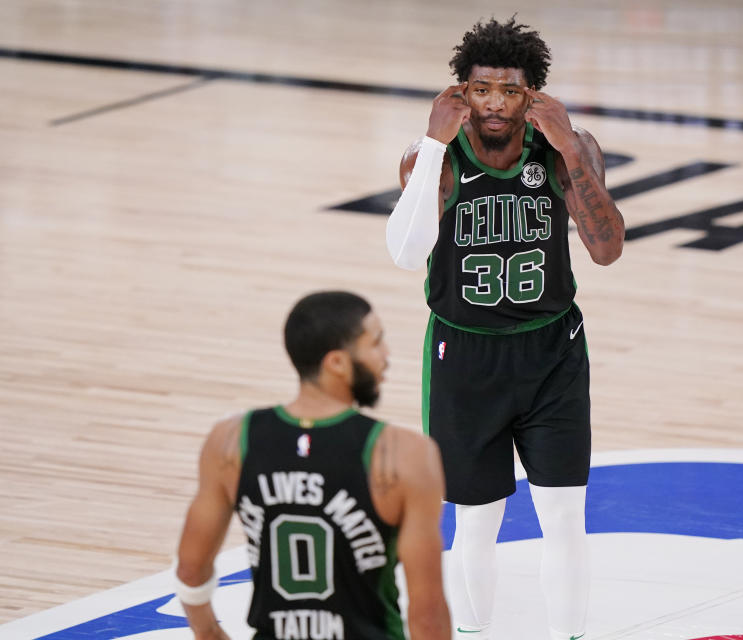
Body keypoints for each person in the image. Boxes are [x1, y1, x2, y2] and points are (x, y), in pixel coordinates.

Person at [385, 16, 625, 640]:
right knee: (476, 523)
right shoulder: (430, 158)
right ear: (460, 92)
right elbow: (407, 255)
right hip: (464, 359)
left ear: (533, 96)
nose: (494, 103)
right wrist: (437, 145)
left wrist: (570, 148)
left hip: (552, 353)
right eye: (481, 89)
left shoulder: (568, 146)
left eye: (509, 91)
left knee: (565, 518)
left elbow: (606, 250)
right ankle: (474, 632)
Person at [174, 291, 451, 640]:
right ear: (336, 362)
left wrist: (208, 634)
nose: (387, 356)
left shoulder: (231, 441)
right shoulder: (403, 454)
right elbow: (427, 614)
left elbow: (190, 568)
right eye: (376, 343)